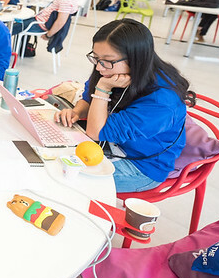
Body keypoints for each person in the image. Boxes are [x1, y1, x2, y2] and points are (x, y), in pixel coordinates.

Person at [54, 19, 190, 193]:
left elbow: (96, 131)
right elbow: (89, 97)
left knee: (65, 175)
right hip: (108, 145)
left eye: (107, 61)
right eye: (96, 58)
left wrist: (103, 89)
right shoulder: (113, 70)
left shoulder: (161, 102)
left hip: (140, 166)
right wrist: (77, 111)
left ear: (135, 59)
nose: (99, 67)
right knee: (51, 156)